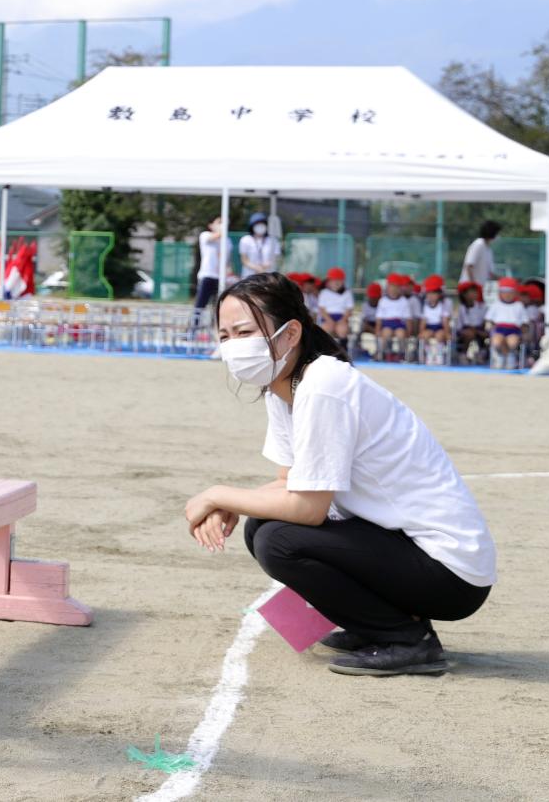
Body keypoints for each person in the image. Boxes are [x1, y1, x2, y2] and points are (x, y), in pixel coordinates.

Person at [185, 272, 495, 676]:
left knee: (280, 541)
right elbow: (287, 483)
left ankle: (406, 639)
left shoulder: (323, 385)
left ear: (290, 333)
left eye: (244, 332)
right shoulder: (284, 386)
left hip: (450, 570)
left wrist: (216, 494)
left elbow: (309, 508)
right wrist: (233, 502)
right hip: (407, 550)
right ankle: (373, 623)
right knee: (262, 523)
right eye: (225, 336)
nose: (232, 346)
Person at [485, 278, 528, 369]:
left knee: (512, 342)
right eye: (504, 292)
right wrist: (489, 327)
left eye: (510, 292)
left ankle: (510, 358)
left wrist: (525, 332)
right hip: (499, 330)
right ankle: (500, 357)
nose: (507, 295)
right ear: (500, 293)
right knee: (497, 341)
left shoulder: (519, 305)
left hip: (514, 330)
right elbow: (489, 320)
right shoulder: (496, 304)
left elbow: (524, 322)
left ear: (515, 293)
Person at [375, 274, 417, 362]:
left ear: (400, 288)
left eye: (396, 287)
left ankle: (402, 354)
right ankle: (385, 354)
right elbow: (379, 319)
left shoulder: (404, 301)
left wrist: (409, 332)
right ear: (387, 287)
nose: (393, 289)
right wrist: (378, 330)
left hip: (399, 324)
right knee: (386, 333)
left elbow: (408, 319)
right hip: (387, 324)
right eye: (391, 286)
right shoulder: (383, 301)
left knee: (401, 334)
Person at [194, 215, 227, 320]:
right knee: (200, 305)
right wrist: (221, 230)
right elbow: (217, 235)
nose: (222, 224)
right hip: (207, 275)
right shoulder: (205, 235)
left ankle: (215, 330)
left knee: (217, 306)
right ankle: (192, 330)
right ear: (211, 225)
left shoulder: (226, 241)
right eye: (219, 222)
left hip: (220, 277)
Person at [419, 276, 453, 365]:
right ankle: (429, 354)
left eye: (434, 293)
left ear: (440, 294)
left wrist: (447, 333)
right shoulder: (425, 305)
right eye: (429, 293)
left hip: (440, 326)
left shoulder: (444, 304)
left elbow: (445, 321)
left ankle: (439, 354)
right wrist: (421, 331)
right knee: (425, 335)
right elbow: (423, 321)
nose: (431, 296)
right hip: (429, 326)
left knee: (440, 335)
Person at [459, 220, 500, 290]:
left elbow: (490, 273)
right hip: (469, 288)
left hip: (480, 288)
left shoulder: (488, 250)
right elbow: (469, 266)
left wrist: (504, 280)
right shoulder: (478, 244)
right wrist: (473, 285)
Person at [239, 212, 281, 278]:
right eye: (257, 224)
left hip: (268, 276)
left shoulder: (273, 240)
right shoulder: (245, 240)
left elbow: (276, 257)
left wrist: (267, 264)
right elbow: (244, 260)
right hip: (249, 276)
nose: (260, 226)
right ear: (252, 226)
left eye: (262, 224)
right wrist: (257, 268)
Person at [317, 268, 354, 342]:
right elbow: (321, 309)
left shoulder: (347, 293)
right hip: (327, 317)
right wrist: (329, 320)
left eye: (339, 280)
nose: (336, 282)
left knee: (342, 330)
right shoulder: (324, 293)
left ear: (343, 281)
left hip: (342, 317)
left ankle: (343, 349)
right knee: (325, 329)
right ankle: (326, 349)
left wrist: (342, 320)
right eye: (333, 280)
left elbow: (349, 309)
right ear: (329, 282)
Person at [454, 282, 486, 363]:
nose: (475, 294)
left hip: (478, 329)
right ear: (464, 294)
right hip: (464, 330)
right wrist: (477, 331)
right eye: (471, 292)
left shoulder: (481, 306)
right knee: (469, 334)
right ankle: (463, 353)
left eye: (475, 292)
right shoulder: (461, 307)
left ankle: (481, 353)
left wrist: (482, 331)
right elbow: (463, 324)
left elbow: (483, 322)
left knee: (485, 334)